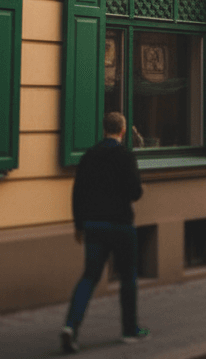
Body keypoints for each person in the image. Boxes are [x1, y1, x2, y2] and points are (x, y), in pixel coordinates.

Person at [60, 112, 147, 354]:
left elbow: (77, 192)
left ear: (104, 130)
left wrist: (79, 224)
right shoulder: (126, 156)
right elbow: (135, 192)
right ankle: (129, 330)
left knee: (89, 276)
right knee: (128, 277)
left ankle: (70, 326)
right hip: (121, 224)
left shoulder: (89, 156)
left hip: (94, 225)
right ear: (123, 131)